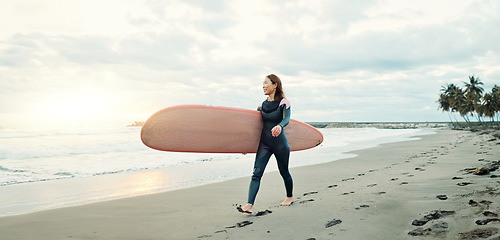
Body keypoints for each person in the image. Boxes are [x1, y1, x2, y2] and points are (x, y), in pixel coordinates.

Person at [237, 74, 293, 214]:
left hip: (280, 144)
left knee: (284, 171)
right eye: (262, 83)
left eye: (266, 83)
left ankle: (289, 196)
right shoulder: (261, 105)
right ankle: (249, 205)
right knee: (256, 174)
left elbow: (286, 119)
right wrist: (246, 145)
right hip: (265, 144)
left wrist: (279, 126)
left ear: (275, 85)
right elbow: (255, 128)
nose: (263, 86)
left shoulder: (284, 103)